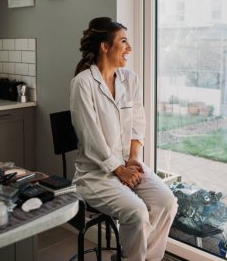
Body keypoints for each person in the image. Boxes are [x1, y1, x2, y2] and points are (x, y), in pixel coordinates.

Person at [70, 17, 178, 261]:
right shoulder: (82, 84)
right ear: (105, 46)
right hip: (94, 174)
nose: (129, 48)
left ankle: (139, 258)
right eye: (124, 41)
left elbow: (138, 123)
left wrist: (132, 159)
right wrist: (118, 170)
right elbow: (90, 138)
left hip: (126, 164)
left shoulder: (130, 79)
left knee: (167, 202)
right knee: (138, 212)